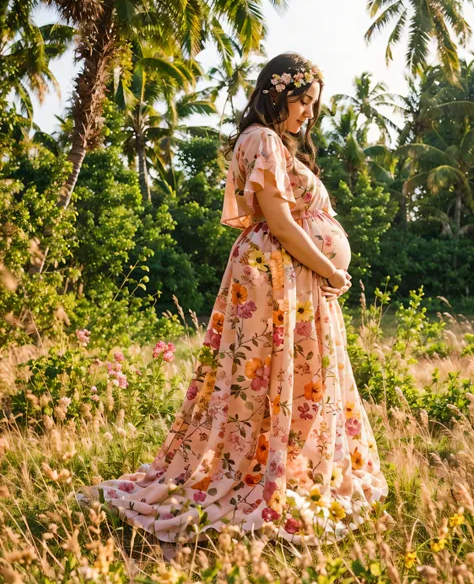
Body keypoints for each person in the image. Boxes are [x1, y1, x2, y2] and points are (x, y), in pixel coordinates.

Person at [78, 52, 388, 546]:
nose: (309, 112)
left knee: (289, 377)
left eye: (313, 103)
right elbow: (281, 223)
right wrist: (330, 267)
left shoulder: (275, 144)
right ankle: (253, 477)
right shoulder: (262, 139)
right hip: (278, 276)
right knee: (263, 378)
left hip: (294, 279)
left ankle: (281, 466)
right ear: (276, 93)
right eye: (303, 101)